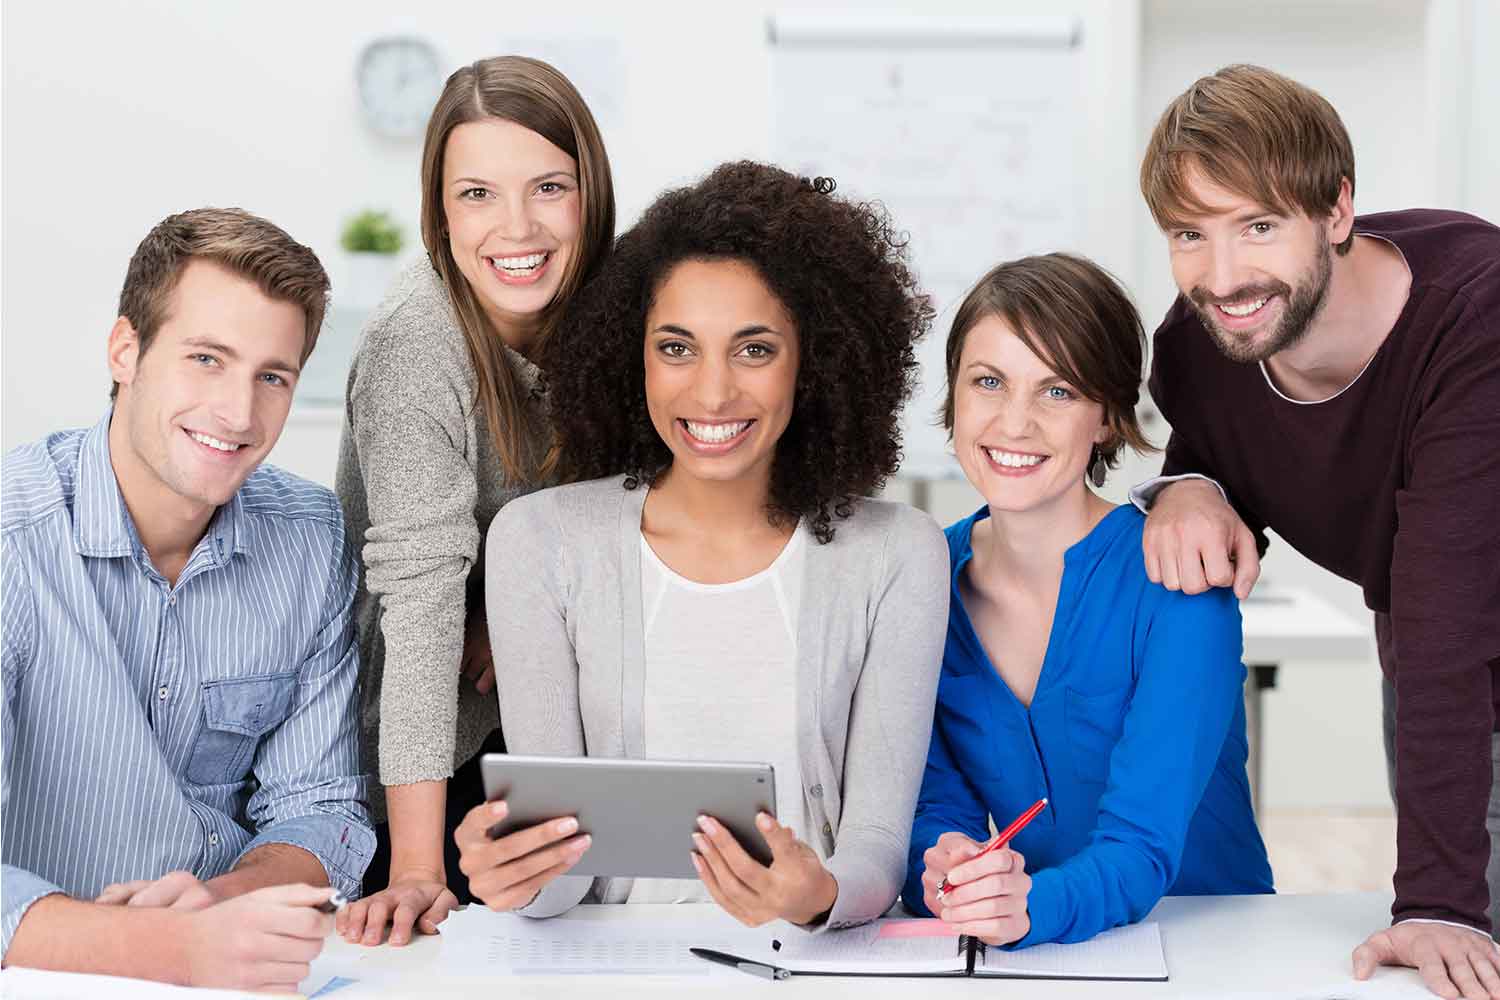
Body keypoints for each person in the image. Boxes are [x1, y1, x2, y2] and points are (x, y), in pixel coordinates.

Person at [451, 162, 949, 928]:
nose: (712, 394)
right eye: (677, 348)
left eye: (754, 350)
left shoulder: (898, 553)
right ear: (632, 358)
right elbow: (561, 881)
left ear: (812, 363)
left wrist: (819, 896)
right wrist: (513, 874)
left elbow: (878, 847)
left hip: (812, 968)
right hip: (612, 972)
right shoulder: (542, 543)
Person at [1135, 64, 1500, 998]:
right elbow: (1217, 444)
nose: (1223, 277)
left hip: (1453, 646)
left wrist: (1438, 900)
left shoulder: (1476, 312)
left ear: (1337, 211)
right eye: (1189, 235)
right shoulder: (1200, 347)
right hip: (1435, 680)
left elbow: (1446, 618)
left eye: (1258, 225)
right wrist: (1187, 483)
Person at [0, 208, 372, 992]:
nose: (239, 414)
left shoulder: (310, 541)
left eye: (273, 376)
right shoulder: (11, 542)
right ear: (125, 350)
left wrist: (221, 902)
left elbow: (325, 808)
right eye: (207, 359)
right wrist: (164, 948)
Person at [901, 253, 1273, 948]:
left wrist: (1030, 909)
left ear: (1106, 418)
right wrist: (942, 861)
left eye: (1058, 392)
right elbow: (935, 797)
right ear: (954, 395)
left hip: (1212, 947)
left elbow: (1142, 847)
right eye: (989, 382)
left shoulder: (1178, 582)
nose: (1014, 424)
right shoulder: (923, 579)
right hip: (1046, 954)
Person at [333, 55, 615, 948]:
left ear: (590, 196)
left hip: (576, 708)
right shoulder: (420, 344)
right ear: (439, 211)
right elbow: (419, 613)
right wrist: (415, 872)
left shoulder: (622, 310)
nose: (517, 227)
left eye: (548, 187)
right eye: (478, 195)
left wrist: (513, 609)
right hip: (440, 737)